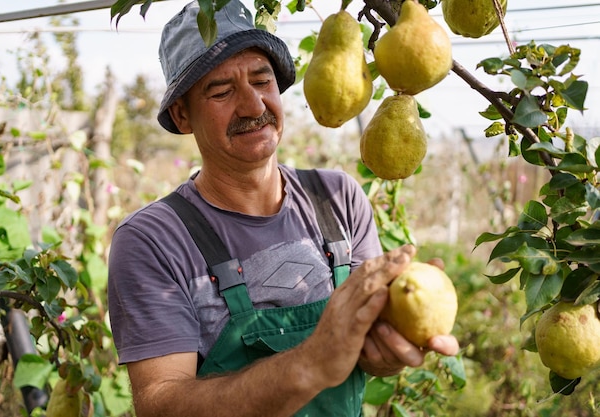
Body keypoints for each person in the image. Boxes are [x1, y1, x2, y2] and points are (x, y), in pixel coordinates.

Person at [107, 1, 459, 416]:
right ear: (183, 115)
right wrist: (310, 363)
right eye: (221, 91)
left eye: (263, 81)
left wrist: (384, 351)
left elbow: (366, 349)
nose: (254, 107)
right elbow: (161, 405)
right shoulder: (153, 241)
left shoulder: (338, 199)